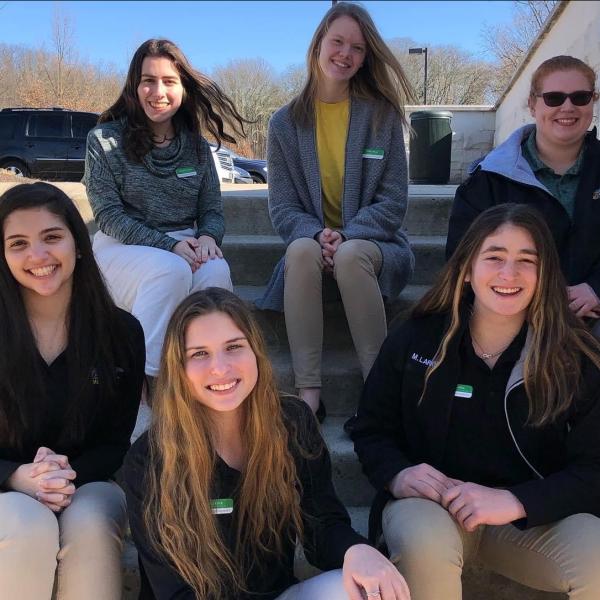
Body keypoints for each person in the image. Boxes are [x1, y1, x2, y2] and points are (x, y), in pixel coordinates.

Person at [352, 203, 600, 599]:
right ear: (467, 269)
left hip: (527, 520)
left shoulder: (573, 355)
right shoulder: (417, 336)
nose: (508, 273)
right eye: (495, 257)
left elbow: (594, 469)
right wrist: (399, 474)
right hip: (433, 509)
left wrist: (516, 501)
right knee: (425, 540)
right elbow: (370, 429)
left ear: (545, 274)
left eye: (526, 260)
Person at [122, 287, 410, 600]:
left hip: (278, 594)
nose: (220, 367)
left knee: (369, 588)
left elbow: (322, 523)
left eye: (233, 347)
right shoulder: (151, 458)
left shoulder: (291, 422)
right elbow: (173, 591)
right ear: (179, 369)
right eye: (200, 354)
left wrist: (357, 550)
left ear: (255, 352)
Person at [257, 2, 415, 420]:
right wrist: (317, 234)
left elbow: (393, 201)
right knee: (300, 251)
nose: (345, 54)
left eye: (358, 48)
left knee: (349, 255)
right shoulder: (284, 123)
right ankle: (308, 393)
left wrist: (347, 234)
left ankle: (378, 393)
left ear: (366, 58)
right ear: (318, 44)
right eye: (338, 41)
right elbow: (284, 207)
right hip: (313, 243)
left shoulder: (381, 116)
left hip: (374, 245)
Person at [0, 182, 145, 599]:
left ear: (77, 244)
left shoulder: (122, 334)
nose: (38, 256)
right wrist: (17, 476)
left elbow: (115, 443)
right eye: (18, 243)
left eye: (51, 237)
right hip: (3, 484)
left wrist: (62, 477)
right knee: (27, 523)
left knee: (92, 524)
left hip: (90, 479)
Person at [85, 38, 247, 381]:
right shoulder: (104, 140)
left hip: (183, 243)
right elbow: (108, 216)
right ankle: (147, 380)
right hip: (122, 246)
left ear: (183, 88)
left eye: (169, 81)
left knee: (216, 273)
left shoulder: (197, 148)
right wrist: (169, 245)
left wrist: (207, 236)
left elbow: (212, 210)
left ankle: (211, 374)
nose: (158, 91)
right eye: (148, 80)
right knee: (169, 271)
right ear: (135, 85)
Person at [446, 55, 600, 326]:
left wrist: (596, 289)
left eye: (580, 97)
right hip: (513, 315)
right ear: (532, 104)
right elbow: (461, 259)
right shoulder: (489, 178)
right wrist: (534, 299)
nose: (567, 107)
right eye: (553, 98)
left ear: (593, 101)